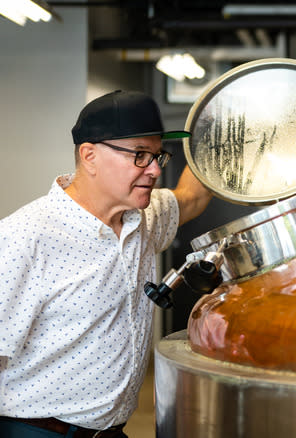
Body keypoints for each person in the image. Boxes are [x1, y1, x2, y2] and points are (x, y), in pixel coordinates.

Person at [0, 90, 213, 437]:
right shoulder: (25, 237)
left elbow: (192, 197)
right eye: (140, 156)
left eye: (158, 154)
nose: (156, 169)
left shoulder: (142, 219)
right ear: (90, 156)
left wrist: (227, 129)